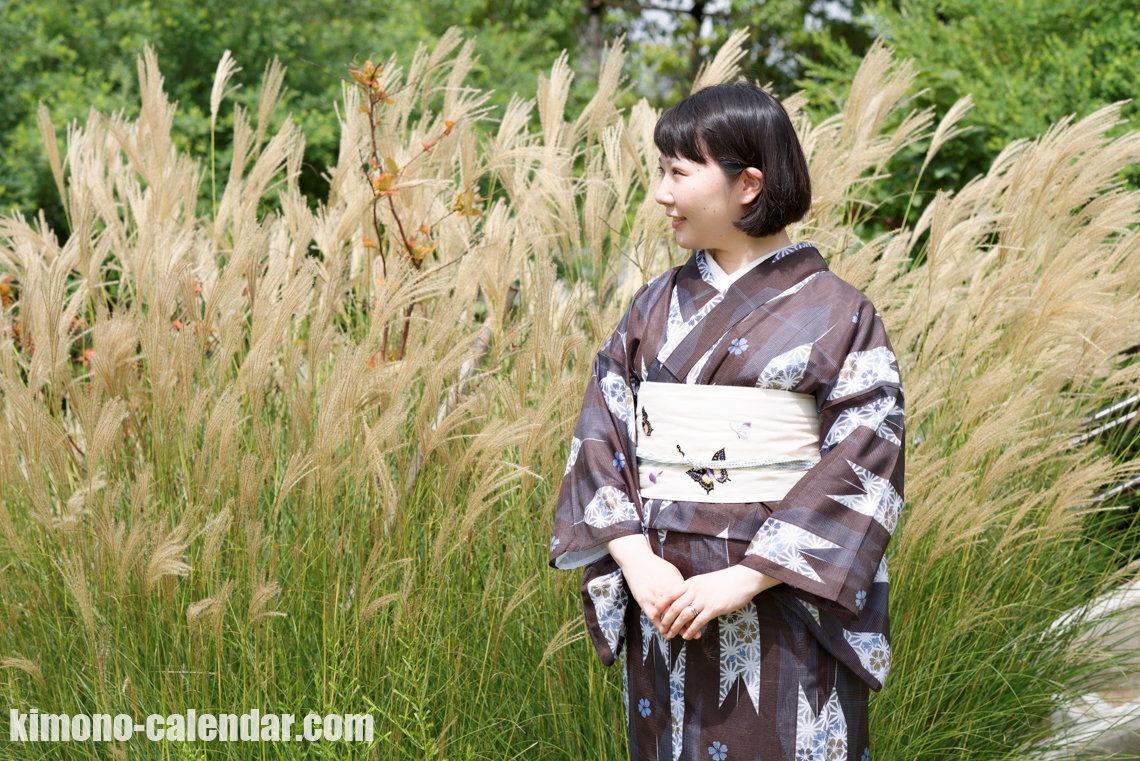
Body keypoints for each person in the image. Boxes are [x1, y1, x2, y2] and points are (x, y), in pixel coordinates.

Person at [548, 82, 904, 761]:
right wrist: (634, 559)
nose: (662, 193)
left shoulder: (840, 314)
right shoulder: (651, 307)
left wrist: (744, 577)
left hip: (781, 601)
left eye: (678, 173)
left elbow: (866, 458)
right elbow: (601, 433)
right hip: (663, 593)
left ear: (748, 185)